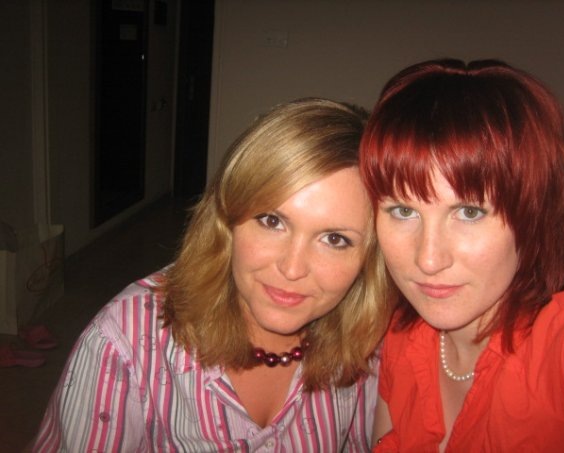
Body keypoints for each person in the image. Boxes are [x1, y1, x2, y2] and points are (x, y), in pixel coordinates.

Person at [33, 98, 391, 452]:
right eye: (271, 221)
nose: (292, 269)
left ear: (371, 257)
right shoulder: (125, 339)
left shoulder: (373, 343)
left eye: (335, 239)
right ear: (227, 222)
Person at [359, 59, 564, 452]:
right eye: (403, 211)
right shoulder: (401, 340)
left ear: (532, 218)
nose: (428, 260)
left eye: (469, 212)